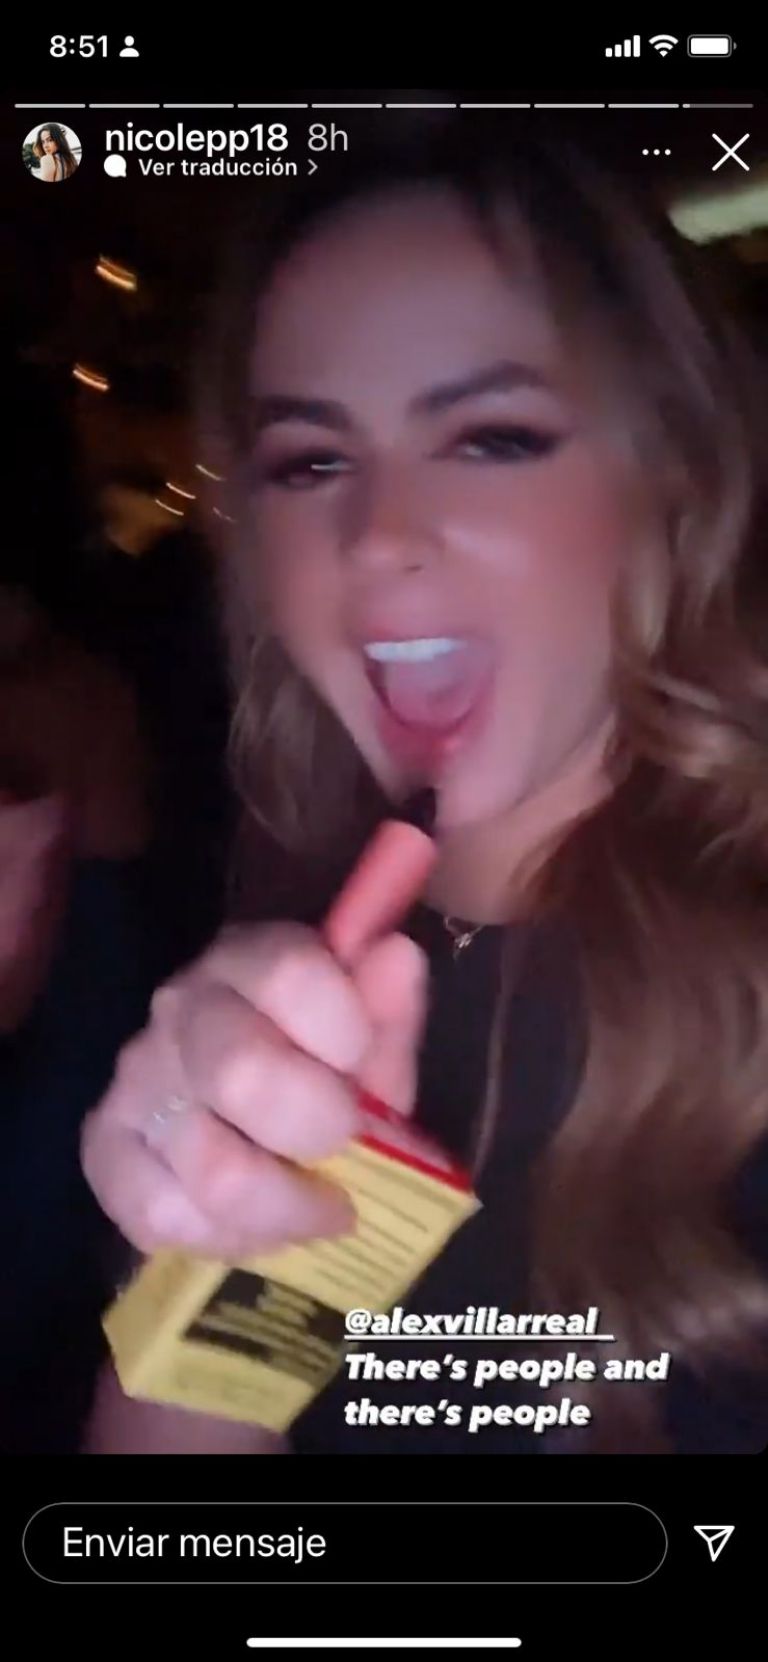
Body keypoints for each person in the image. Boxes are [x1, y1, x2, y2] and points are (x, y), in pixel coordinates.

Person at [82, 120, 768, 1455]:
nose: (378, 537)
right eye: (312, 461)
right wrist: (213, 1276)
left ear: (675, 478)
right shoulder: (269, 941)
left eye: (492, 438)